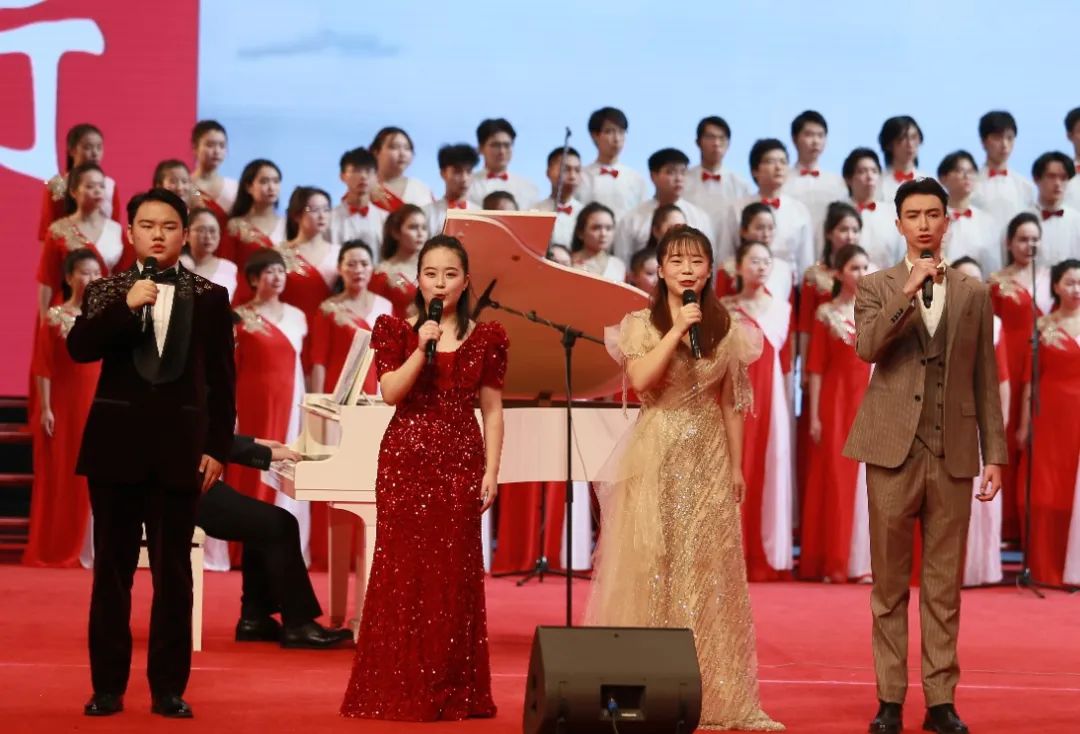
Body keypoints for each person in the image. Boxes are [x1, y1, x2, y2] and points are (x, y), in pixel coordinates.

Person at [585, 225, 782, 731]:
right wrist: (675, 331)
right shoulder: (640, 324)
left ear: (710, 269)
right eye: (676, 261)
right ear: (661, 269)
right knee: (652, 562)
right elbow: (640, 380)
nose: (687, 270)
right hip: (657, 448)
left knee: (709, 567)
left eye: (696, 261)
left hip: (709, 451)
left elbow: (733, 403)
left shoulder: (728, 327)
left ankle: (718, 695)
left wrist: (736, 466)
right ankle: (647, 690)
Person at [843, 177, 1006, 734]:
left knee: (943, 586)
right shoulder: (876, 286)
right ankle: (889, 700)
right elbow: (867, 347)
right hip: (890, 450)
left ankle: (941, 702)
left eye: (933, 214)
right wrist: (908, 290)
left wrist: (995, 453)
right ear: (898, 224)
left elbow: (985, 377)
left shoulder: (973, 292)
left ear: (947, 221)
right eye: (913, 215)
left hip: (952, 450)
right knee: (889, 586)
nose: (924, 224)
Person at [69, 188, 236, 719]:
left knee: (174, 576)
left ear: (184, 234)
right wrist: (126, 306)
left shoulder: (210, 296)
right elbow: (79, 348)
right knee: (111, 573)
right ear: (131, 233)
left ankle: (168, 689)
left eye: (168, 226)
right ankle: (107, 688)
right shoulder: (105, 291)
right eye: (147, 225)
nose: (158, 235)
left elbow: (223, 383)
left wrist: (217, 448)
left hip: (181, 454)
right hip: (114, 451)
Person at [341, 235, 507, 721]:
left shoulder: (487, 337)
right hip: (405, 464)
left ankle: (452, 685)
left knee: (453, 574)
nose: (440, 283)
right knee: (402, 573)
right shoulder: (395, 330)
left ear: (466, 281)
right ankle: (396, 684)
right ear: (418, 279)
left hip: (460, 462)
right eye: (431, 274)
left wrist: (492, 470)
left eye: (450, 274)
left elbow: (493, 411)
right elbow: (391, 392)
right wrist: (421, 348)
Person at [199, 434, 353, 649]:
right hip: (178, 488)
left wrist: (254, 444)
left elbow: (203, 433)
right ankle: (298, 624)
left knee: (261, 525)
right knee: (279, 524)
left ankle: (255, 619)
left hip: (188, 478)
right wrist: (264, 453)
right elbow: (189, 436)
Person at [227, 250, 309, 565]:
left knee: (285, 464)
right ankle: (241, 547)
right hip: (252, 401)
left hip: (291, 399)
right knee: (251, 464)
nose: (276, 277)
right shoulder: (239, 317)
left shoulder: (298, 316)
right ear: (253, 278)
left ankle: (280, 546)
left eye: (280, 271)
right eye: (269, 271)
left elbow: (300, 364)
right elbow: (230, 366)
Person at [23, 249, 102, 568]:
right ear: (69, 278)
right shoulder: (55, 316)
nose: (91, 278)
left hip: (100, 402)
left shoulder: (106, 317)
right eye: (84, 272)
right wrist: (46, 408)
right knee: (64, 472)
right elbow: (43, 365)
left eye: (96, 273)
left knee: (98, 473)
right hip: (65, 404)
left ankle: (93, 547)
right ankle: (61, 544)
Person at [800, 244, 872, 583]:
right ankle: (835, 559)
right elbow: (815, 368)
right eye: (855, 268)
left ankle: (864, 562)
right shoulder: (825, 314)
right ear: (840, 273)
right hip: (836, 403)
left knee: (867, 482)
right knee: (836, 479)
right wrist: (814, 415)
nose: (861, 274)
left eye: (865, 267)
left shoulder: (877, 312)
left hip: (869, 401)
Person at [722, 241, 794, 582]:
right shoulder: (724, 308)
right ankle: (729, 552)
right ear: (738, 266)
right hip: (732, 393)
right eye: (754, 261)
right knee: (735, 464)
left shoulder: (780, 309)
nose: (761, 267)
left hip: (769, 395)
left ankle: (764, 555)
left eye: (766, 261)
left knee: (767, 464)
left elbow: (784, 359)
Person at [1016, 258, 1080, 587]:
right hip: (1049, 413)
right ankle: (1045, 567)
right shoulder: (1042, 326)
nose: (1076, 289)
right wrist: (1024, 424)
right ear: (1055, 286)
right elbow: (1029, 378)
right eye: (1070, 282)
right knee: (1046, 488)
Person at [988, 213, 1052, 541]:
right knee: (1008, 436)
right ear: (1009, 243)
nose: (1030, 245)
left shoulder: (1052, 278)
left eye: (1035, 239)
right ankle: (1005, 522)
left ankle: (1034, 524)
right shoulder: (996, 282)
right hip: (1008, 365)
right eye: (1023, 239)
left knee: (1038, 439)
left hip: (1045, 366)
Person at [950, 257, 1010, 587]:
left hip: (979, 416)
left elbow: (1002, 380)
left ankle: (978, 568)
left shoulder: (994, 324)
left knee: (980, 492)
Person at [723, 139, 814, 304]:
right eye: (770, 161)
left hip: (788, 291)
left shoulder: (799, 210)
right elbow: (727, 254)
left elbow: (805, 261)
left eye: (783, 162)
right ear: (755, 170)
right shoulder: (738, 209)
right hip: (744, 290)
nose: (778, 167)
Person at [38, 163, 133, 318]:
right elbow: (47, 280)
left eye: (101, 186)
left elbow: (126, 278)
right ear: (73, 191)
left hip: (107, 312)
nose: (97, 191)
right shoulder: (58, 231)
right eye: (90, 186)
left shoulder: (116, 230)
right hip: (69, 315)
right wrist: (45, 319)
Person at [310, 240, 393, 396]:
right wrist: (317, 400)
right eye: (351, 264)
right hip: (337, 392)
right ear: (339, 269)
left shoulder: (385, 306)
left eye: (364, 264)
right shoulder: (328, 309)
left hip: (375, 392)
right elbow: (319, 361)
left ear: (372, 268)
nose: (358, 270)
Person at [276, 186, 341, 376]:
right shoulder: (278, 254)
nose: (322, 215)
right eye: (314, 210)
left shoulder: (340, 254)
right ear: (296, 215)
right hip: (292, 330)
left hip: (329, 335)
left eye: (326, 209)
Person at [613, 148, 711, 262]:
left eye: (683, 172)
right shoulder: (633, 219)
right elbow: (622, 261)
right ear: (653, 176)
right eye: (671, 172)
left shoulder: (699, 217)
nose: (679, 178)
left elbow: (708, 259)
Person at [38, 123, 121, 242]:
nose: (95, 153)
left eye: (99, 147)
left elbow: (115, 228)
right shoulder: (57, 184)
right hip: (68, 249)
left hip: (102, 250)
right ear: (72, 151)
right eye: (88, 147)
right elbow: (46, 232)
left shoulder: (109, 185)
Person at [783, 110, 848, 257]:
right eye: (809, 135)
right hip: (792, 253)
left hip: (829, 255)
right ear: (794, 139)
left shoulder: (837, 183)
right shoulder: (783, 180)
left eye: (820, 135)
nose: (815, 141)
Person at [684, 115, 752, 237]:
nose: (716, 143)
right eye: (710, 137)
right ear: (698, 142)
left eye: (722, 138)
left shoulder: (741, 185)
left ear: (729, 144)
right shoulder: (683, 181)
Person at [576, 106, 647, 218]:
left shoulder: (636, 179)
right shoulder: (581, 177)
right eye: (609, 132)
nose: (617, 139)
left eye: (621, 132)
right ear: (594, 135)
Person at [971, 111, 1034, 235]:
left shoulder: (1025, 186)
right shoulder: (971, 184)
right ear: (983, 142)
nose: (1004, 144)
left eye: (1010, 138)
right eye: (997, 138)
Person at [937, 151, 1001, 272]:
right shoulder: (933, 218)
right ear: (943, 178)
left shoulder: (986, 221)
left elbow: (993, 266)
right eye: (959, 171)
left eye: (971, 171)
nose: (966, 176)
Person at [843, 147, 904, 270]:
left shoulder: (892, 213)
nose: (870, 176)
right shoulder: (840, 212)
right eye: (862, 171)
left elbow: (902, 254)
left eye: (874, 171)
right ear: (848, 179)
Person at [221, 159, 285, 268]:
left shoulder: (287, 224)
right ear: (248, 187)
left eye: (276, 181)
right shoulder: (235, 226)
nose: (271, 187)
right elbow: (226, 266)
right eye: (264, 182)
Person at [368, 204, 428, 318]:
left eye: (424, 228)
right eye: (413, 227)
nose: (420, 233)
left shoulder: (434, 267)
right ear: (396, 232)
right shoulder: (382, 272)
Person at [467, 118, 538, 208]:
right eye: (495, 145)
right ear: (480, 148)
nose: (502, 151)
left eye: (507, 145)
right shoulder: (467, 186)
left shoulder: (528, 188)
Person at [329, 147, 388, 254]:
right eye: (356, 171)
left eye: (368, 171)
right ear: (342, 176)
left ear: (376, 177)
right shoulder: (329, 218)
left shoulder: (385, 219)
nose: (363, 176)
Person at [1028, 152, 1080, 267]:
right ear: (1036, 179)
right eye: (1051, 176)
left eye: (1063, 178)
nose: (1057, 183)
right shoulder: (1023, 221)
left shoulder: (1077, 221)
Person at [369, 126, 435, 213]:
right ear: (375, 152)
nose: (402, 153)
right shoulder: (365, 188)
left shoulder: (421, 189)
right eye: (394, 147)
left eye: (407, 148)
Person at [533, 146, 585, 247]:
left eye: (577, 170)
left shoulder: (585, 213)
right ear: (548, 172)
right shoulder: (535, 211)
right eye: (565, 169)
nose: (572, 176)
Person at [180, 207, 237, 300]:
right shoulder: (176, 266)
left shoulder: (229, 268)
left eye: (212, 231)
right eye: (201, 230)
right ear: (186, 235)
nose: (208, 236)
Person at [190, 120, 238, 229]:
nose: (217, 151)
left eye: (222, 146)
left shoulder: (234, 187)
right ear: (195, 147)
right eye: (210, 145)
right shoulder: (188, 186)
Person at [424, 143, 480, 237]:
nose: (464, 178)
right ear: (443, 173)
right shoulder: (427, 213)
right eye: (457, 172)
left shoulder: (480, 214)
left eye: (469, 171)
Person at [570, 202, 625, 281]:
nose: (603, 234)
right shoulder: (566, 261)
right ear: (580, 233)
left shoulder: (618, 266)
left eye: (608, 228)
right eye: (596, 228)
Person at [877, 116, 927, 203]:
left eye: (914, 137)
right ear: (888, 145)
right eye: (902, 138)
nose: (910, 144)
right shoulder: (877, 182)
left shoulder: (928, 182)